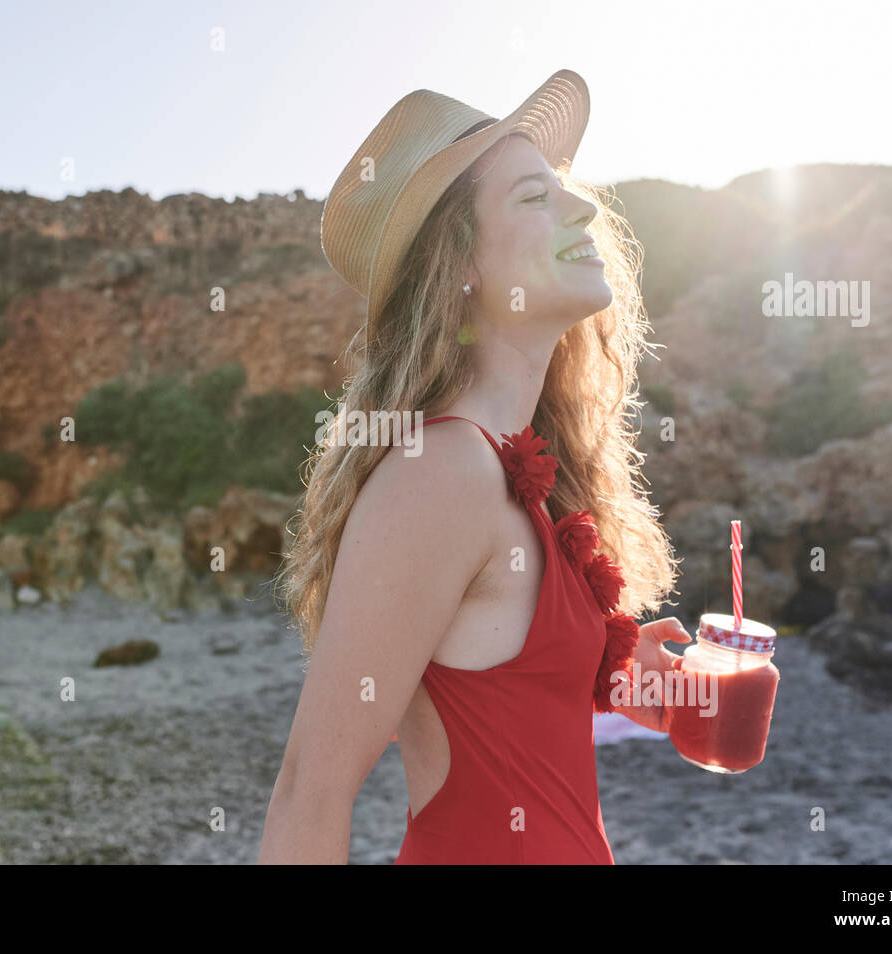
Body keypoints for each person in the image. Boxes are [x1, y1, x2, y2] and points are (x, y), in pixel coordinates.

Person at [259, 69, 683, 864]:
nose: (584, 205)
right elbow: (308, 793)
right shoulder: (442, 472)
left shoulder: (514, 465)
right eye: (532, 197)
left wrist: (615, 669)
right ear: (461, 267)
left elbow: (494, 707)